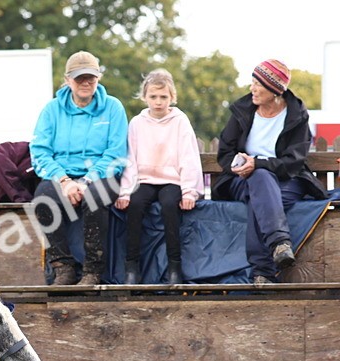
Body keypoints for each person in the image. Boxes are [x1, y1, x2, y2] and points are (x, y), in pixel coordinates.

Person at [213, 59, 327, 285]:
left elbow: (293, 163)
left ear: (275, 90)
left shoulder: (296, 115)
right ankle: (280, 243)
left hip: (287, 179)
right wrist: (241, 164)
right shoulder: (242, 110)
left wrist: (259, 164)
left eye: (258, 84)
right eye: (252, 82)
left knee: (261, 194)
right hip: (242, 178)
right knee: (261, 181)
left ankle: (262, 273)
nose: (252, 89)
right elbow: (225, 153)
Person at [29, 51, 128, 286]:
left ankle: (93, 270)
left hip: (102, 174)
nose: (85, 82)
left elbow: (116, 153)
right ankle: (63, 267)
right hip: (62, 175)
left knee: (94, 198)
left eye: (91, 78)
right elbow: (40, 152)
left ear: (99, 78)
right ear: (67, 80)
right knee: (42, 198)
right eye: (79, 78)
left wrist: (86, 181)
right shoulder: (51, 110)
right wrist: (64, 181)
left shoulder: (113, 108)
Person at [115, 69, 204, 285]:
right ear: (145, 97)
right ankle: (132, 266)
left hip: (171, 180)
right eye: (153, 97)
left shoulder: (180, 121)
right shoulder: (137, 123)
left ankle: (175, 265)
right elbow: (130, 159)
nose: (158, 102)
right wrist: (125, 191)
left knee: (168, 206)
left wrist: (189, 191)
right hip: (144, 180)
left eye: (163, 97)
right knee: (135, 205)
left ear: (171, 97)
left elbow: (188, 156)